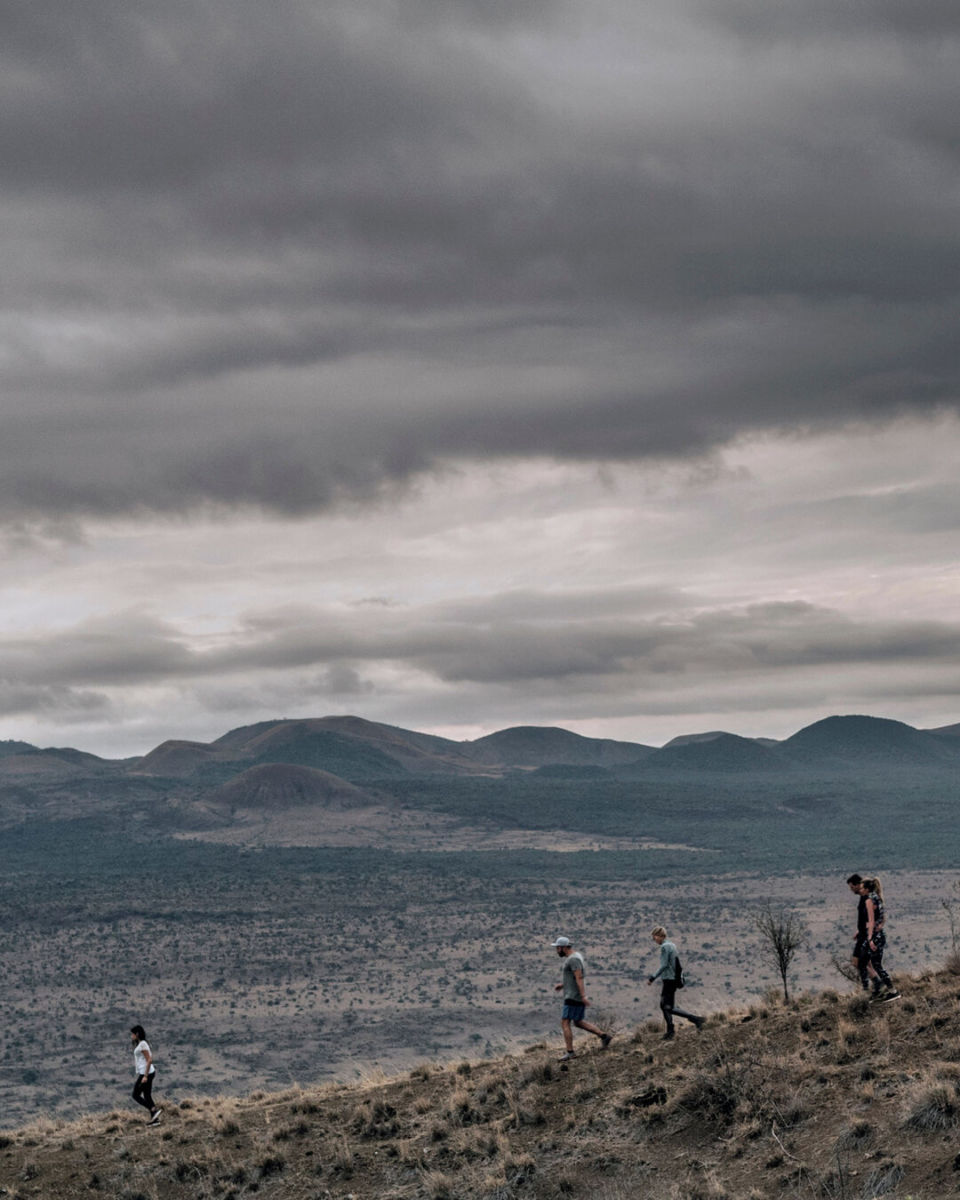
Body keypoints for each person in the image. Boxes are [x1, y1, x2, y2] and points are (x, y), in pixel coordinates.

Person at [551, 936, 612, 1061]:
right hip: (574, 994)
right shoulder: (576, 956)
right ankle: (604, 1036)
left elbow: (579, 977)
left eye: (557, 948)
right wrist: (563, 985)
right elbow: (574, 977)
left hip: (573, 996)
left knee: (565, 1022)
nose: (557, 950)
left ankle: (570, 1052)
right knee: (578, 1022)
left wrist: (583, 995)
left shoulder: (573, 960)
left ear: (563, 947)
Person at [848, 875, 900, 1002]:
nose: (852, 890)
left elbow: (871, 921)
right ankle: (882, 989)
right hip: (871, 934)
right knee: (871, 963)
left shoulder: (869, 900)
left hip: (869, 935)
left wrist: (870, 937)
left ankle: (878, 988)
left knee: (864, 963)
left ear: (862, 886)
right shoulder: (876, 898)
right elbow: (879, 917)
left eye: (852, 887)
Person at [647, 926, 704, 1040]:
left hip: (669, 980)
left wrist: (652, 978)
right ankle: (671, 1029)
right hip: (674, 979)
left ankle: (693, 1020)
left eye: (655, 938)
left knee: (666, 1006)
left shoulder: (664, 947)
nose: (655, 940)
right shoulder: (672, 945)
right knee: (666, 1006)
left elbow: (663, 965)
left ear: (661, 936)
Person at [130, 1025, 163, 1124]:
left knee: (135, 1095)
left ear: (137, 1034)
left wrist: (145, 1076)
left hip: (146, 1073)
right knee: (147, 1095)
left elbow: (149, 1060)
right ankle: (155, 1120)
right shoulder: (141, 1044)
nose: (131, 1036)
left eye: (132, 1034)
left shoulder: (143, 1044)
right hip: (146, 1072)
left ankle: (153, 1110)